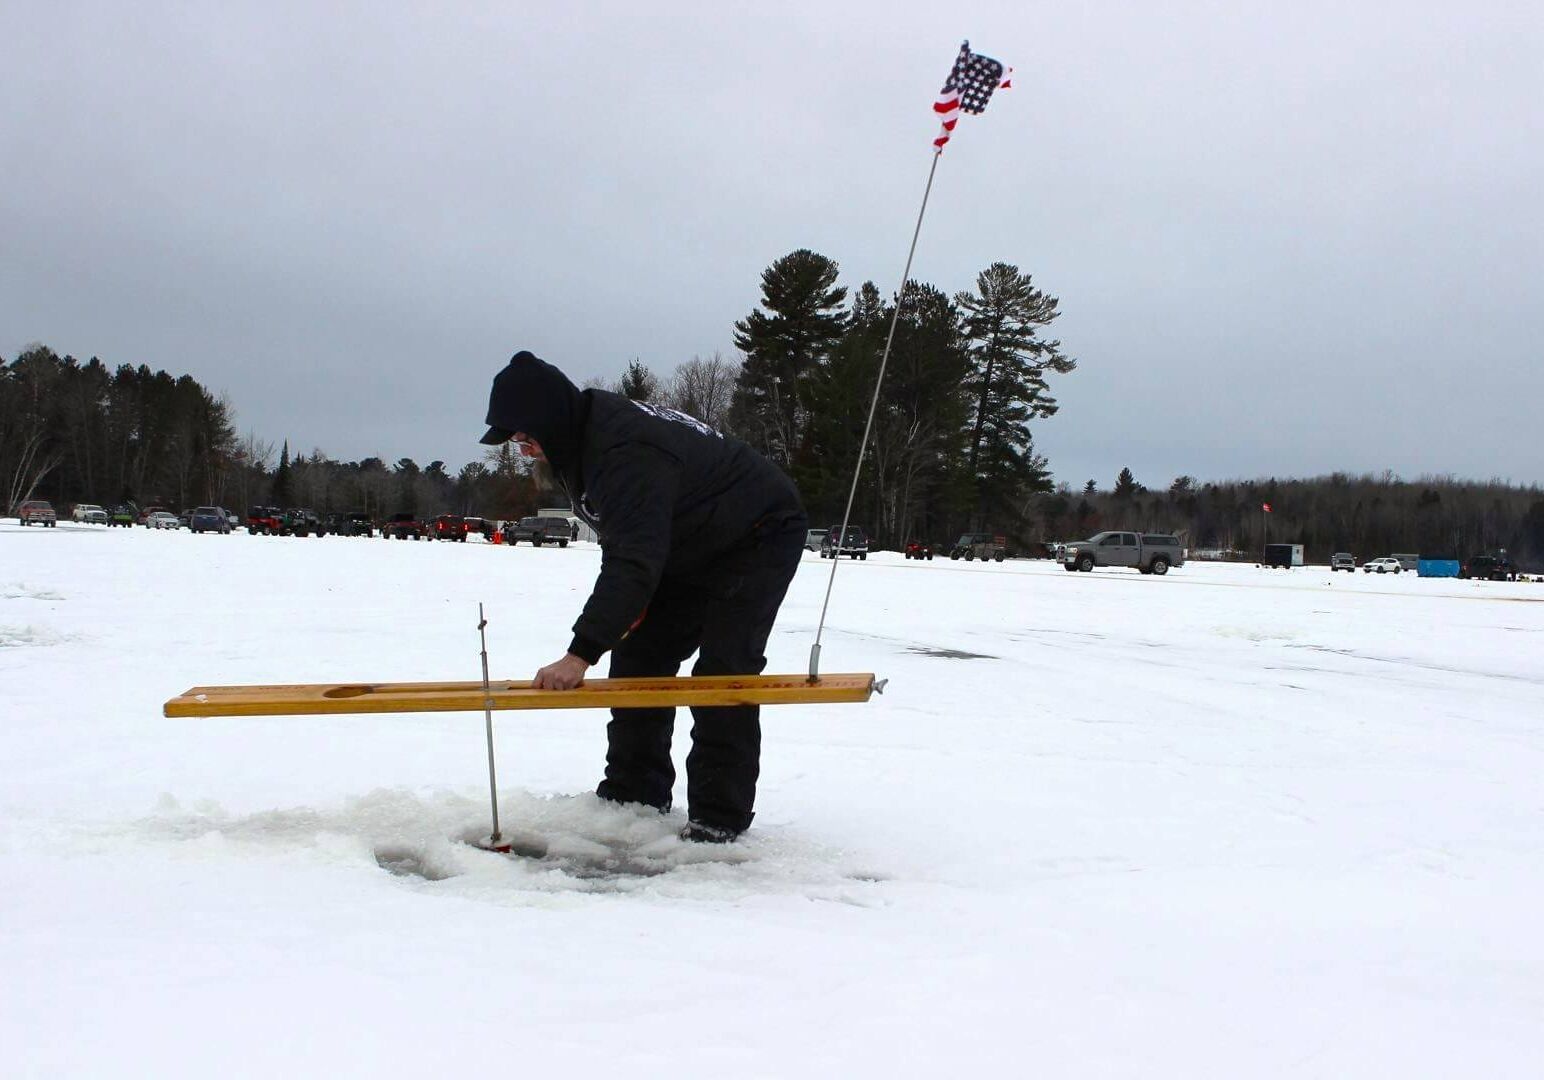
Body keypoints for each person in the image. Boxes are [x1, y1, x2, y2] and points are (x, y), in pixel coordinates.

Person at [480, 350, 807, 842]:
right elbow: (636, 550)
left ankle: (719, 817)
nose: (523, 450)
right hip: (690, 541)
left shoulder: (625, 451)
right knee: (640, 654)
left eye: (525, 438)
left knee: (724, 669)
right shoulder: (578, 442)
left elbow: (632, 562)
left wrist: (580, 653)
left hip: (757, 533)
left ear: (550, 420)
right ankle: (636, 793)